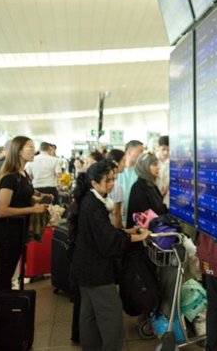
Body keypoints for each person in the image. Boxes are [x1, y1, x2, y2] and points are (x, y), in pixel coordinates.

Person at [69, 161, 149, 351]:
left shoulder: (88, 200)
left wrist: (128, 231)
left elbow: (103, 233)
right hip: (97, 272)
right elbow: (108, 241)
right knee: (111, 318)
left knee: (89, 316)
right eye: (108, 180)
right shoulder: (95, 206)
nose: (112, 184)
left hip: (83, 269)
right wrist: (138, 237)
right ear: (94, 183)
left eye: (114, 179)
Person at [0, 136, 49, 290]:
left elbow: (20, 197)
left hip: (17, 230)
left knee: (8, 272)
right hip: (7, 231)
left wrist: (38, 198)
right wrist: (33, 209)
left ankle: (4, 306)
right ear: (18, 151)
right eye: (30, 147)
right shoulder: (10, 177)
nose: (34, 150)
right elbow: (2, 210)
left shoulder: (22, 175)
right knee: (4, 275)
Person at [126, 151, 168, 221]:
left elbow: (161, 209)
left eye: (158, 164)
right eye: (155, 165)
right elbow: (144, 217)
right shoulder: (138, 188)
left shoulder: (152, 186)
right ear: (145, 166)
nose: (158, 167)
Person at [118, 140, 144, 226]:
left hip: (134, 215)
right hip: (118, 213)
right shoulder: (118, 170)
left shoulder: (140, 172)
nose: (142, 155)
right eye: (140, 152)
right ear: (129, 152)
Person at [106, 149, 126, 228]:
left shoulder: (104, 182)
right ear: (115, 163)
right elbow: (116, 213)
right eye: (123, 162)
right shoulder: (117, 186)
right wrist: (120, 232)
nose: (125, 165)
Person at [156, 135, 170, 207]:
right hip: (153, 198)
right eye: (163, 149)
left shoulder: (173, 163)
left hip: (167, 200)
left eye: (168, 150)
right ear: (158, 147)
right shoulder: (152, 160)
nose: (166, 153)